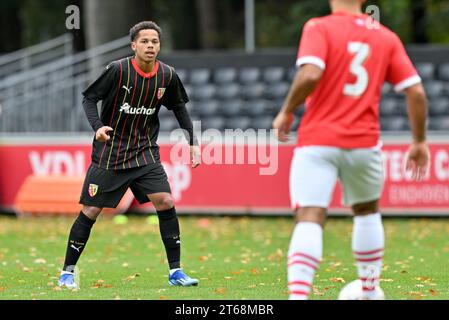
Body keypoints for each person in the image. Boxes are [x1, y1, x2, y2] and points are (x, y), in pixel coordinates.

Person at [273, 0, 429, 300]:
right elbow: (416, 91)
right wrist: (419, 141)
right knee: (367, 213)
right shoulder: (385, 35)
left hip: (318, 141)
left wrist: (287, 111)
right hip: (364, 143)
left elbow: (310, 74)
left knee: (310, 215)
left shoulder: (318, 27)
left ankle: (299, 295)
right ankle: (370, 292)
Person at [58, 21, 201, 289]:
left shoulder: (167, 76)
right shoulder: (117, 70)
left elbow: (179, 108)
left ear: (159, 46)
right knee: (91, 210)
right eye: (144, 41)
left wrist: (193, 142)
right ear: (133, 45)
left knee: (166, 200)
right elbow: (89, 99)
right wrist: (98, 127)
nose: (150, 46)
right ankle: (67, 272)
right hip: (110, 154)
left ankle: (176, 272)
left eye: (154, 42)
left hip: (144, 152)